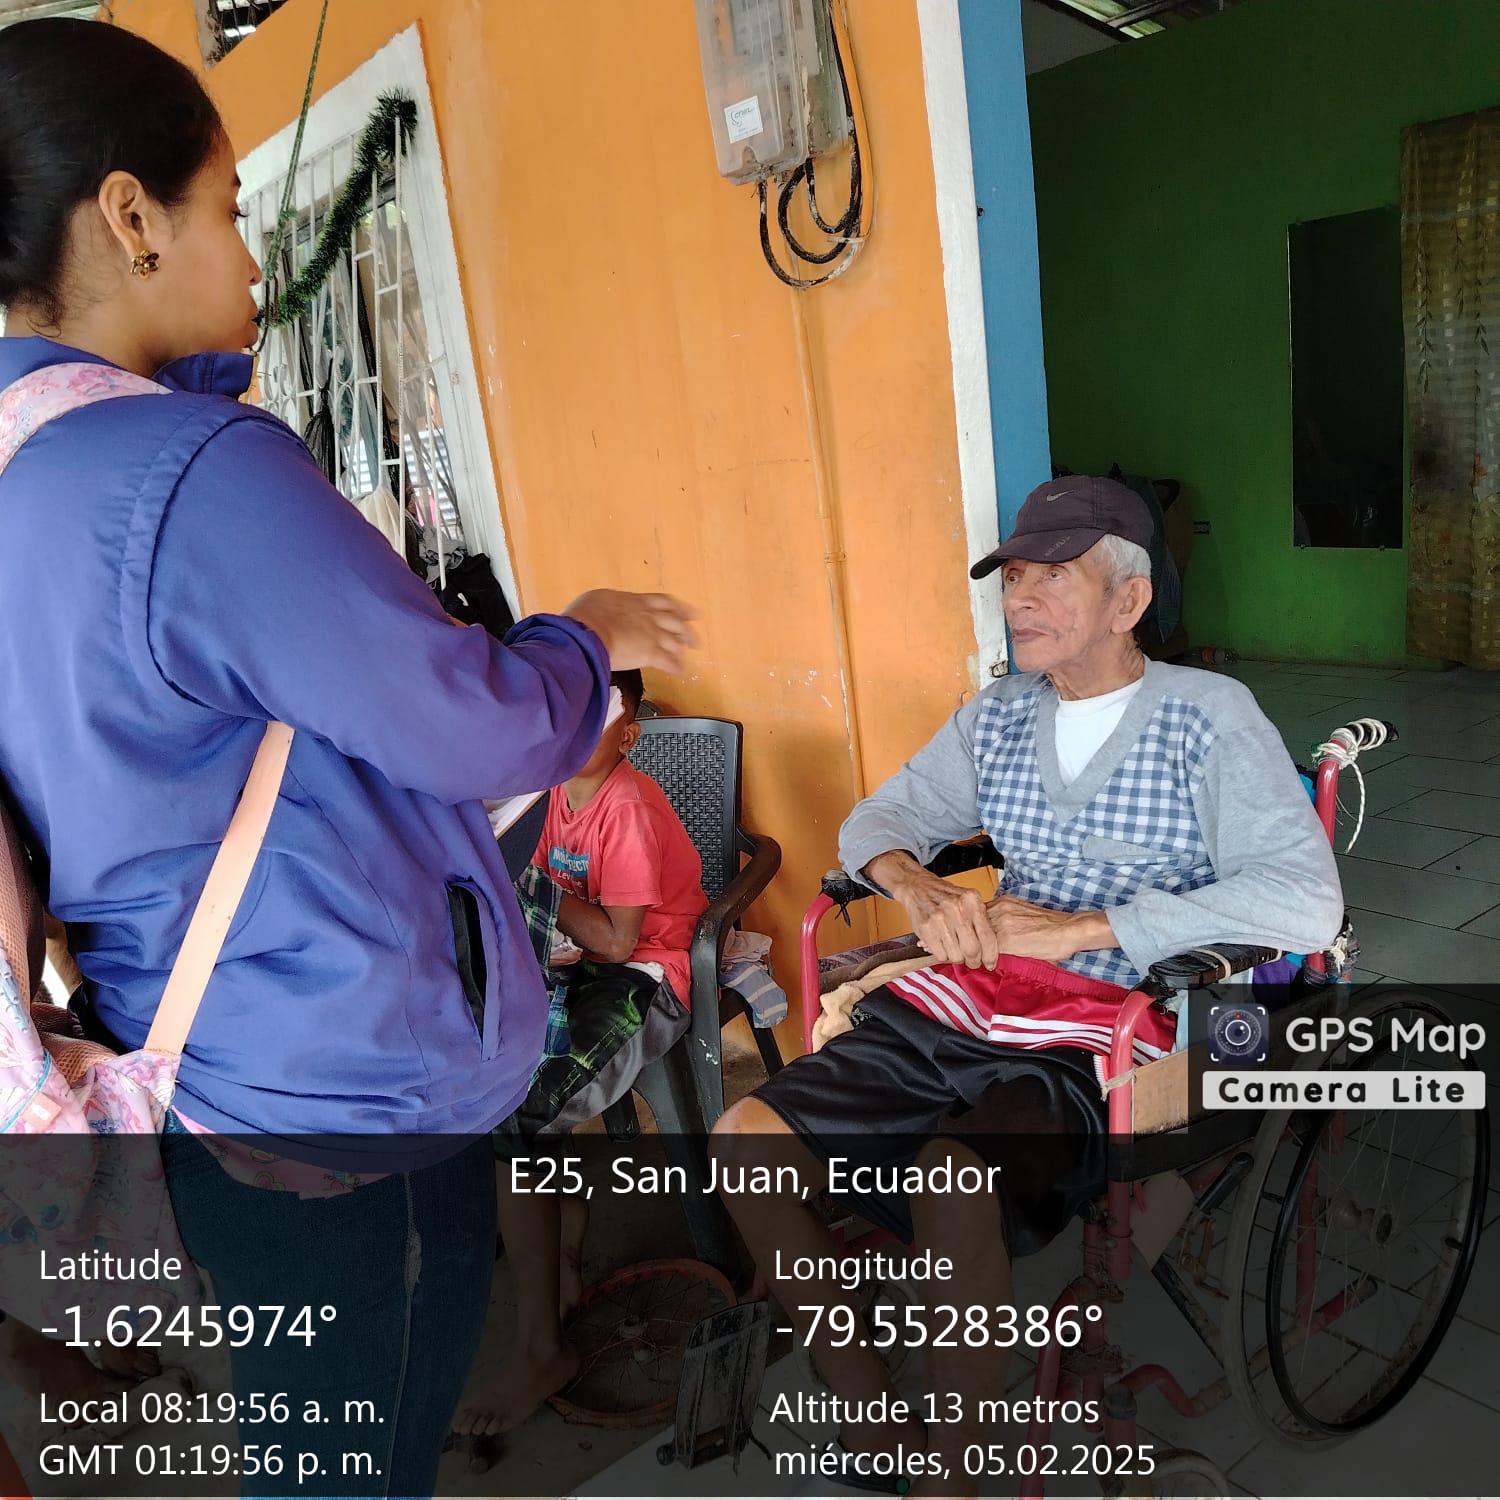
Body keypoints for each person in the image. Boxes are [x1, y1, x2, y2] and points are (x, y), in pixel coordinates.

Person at [0, 18, 696, 1496]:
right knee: (353, 1466)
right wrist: (585, 637)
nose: (256, 259)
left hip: (189, 1060)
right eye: (228, 210)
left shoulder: (26, 478)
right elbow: (481, 720)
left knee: (307, 1438)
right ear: (129, 216)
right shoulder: (189, 474)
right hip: (336, 1087)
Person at [712, 475, 1343, 1497]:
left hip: (1116, 1022)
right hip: (974, 996)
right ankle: (868, 1412)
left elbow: (1306, 900)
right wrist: (916, 886)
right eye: (1013, 577)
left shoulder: (1208, 717)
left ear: (1130, 601)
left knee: (953, 1178)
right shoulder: (999, 714)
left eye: (1054, 575)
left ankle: (954, 1475)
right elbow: (876, 820)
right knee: (745, 1138)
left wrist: (1084, 929)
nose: (1021, 598)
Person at [453, 669, 707, 1438]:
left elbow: (621, 942)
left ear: (628, 736)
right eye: (566, 710)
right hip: (584, 965)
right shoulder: (553, 793)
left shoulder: (626, 807)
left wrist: (532, 880)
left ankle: (542, 1346)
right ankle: (556, 1227)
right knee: (483, 1060)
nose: (571, 729)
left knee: (520, 1110)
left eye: (597, 717)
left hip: (644, 979)